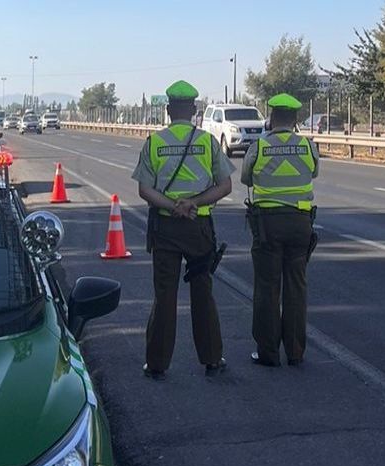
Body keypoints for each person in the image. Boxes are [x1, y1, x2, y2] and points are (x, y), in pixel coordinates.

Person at [132, 80, 235, 379]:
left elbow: (144, 190)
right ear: (193, 110)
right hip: (199, 227)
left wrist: (173, 205)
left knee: (164, 295)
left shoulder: (154, 142)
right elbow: (225, 186)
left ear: (167, 110)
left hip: (165, 227)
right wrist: (193, 203)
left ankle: (157, 363)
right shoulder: (207, 142)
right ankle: (212, 359)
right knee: (203, 293)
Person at [241, 93, 320, 367]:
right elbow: (314, 173)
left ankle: (268, 353)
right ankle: (296, 352)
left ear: (271, 118)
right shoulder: (307, 146)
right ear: (296, 119)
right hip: (300, 223)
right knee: (296, 287)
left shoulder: (260, 146)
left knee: (267, 288)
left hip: (268, 225)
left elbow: (245, 178)